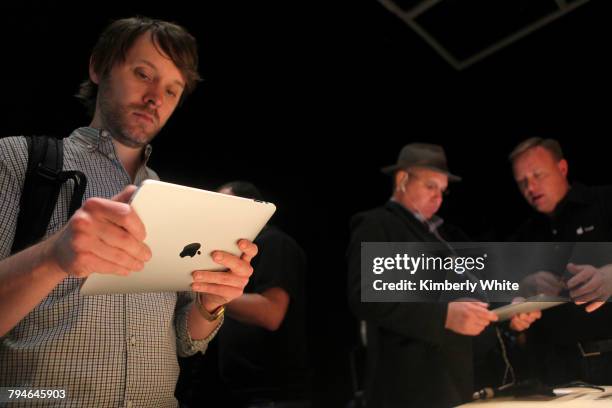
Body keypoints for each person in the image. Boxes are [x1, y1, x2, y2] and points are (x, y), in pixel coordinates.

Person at [0, 17, 257, 407]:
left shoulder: (176, 202)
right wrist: (53, 255)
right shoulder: (18, 160)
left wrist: (211, 303)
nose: (156, 98)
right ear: (98, 66)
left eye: (173, 90)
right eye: (143, 74)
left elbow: (186, 342)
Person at [346, 143, 499, 408]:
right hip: (406, 388)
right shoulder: (378, 224)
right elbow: (366, 296)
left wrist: (507, 313)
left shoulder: (444, 236)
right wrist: (444, 316)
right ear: (402, 179)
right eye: (430, 186)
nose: (438, 198)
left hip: (454, 384)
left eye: (442, 190)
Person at [510, 137, 612, 385]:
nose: (531, 188)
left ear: (562, 168)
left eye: (537, 175)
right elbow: (509, 304)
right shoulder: (525, 234)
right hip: (555, 371)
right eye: (522, 182)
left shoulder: (605, 202)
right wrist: (522, 301)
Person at [215, 181, 311, 408]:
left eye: (222, 204)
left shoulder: (275, 243)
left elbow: (271, 313)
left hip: (273, 395)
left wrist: (209, 290)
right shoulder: (233, 252)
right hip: (240, 393)